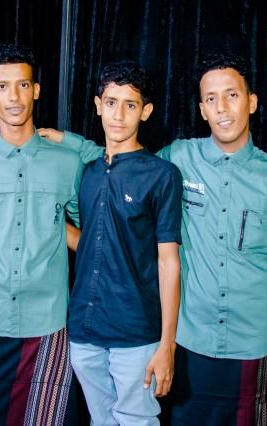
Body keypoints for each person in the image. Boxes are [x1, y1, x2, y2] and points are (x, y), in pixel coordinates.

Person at [40, 52, 267, 425]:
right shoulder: (179, 157)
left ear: (252, 102)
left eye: (232, 95)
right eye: (211, 98)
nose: (222, 107)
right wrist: (67, 140)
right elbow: (125, 161)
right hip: (189, 334)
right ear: (201, 109)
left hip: (250, 338)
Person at [0, 44, 84, 425]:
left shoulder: (68, 161)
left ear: (36, 90)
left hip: (48, 320)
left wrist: (54, 227)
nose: (14, 97)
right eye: (3, 86)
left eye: (23, 85)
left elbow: (85, 230)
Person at [64, 61, 182, 425]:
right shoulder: (87, 172)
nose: (118, 115)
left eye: (130, 105)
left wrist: (167, 344)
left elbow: (168, 261)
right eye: (111, 102)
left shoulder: (162, 175)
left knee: (136, 420)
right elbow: (92, 242)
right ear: (98, 105)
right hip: (84, 329)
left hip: (135, 333)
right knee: (101, 421)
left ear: (145, 111)